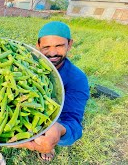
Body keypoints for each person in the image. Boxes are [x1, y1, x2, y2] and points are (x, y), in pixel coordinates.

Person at [12, 21, 90, 161]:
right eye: (46, 47)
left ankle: (49, 141)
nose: (53, 53)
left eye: (59, 46)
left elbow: (74, 124)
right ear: (38, 46)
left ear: (70, 44)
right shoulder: (25, 61)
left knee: (55, 125)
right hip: (16, 105)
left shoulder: (77, 78)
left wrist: (60, 130)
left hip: (48, 115)